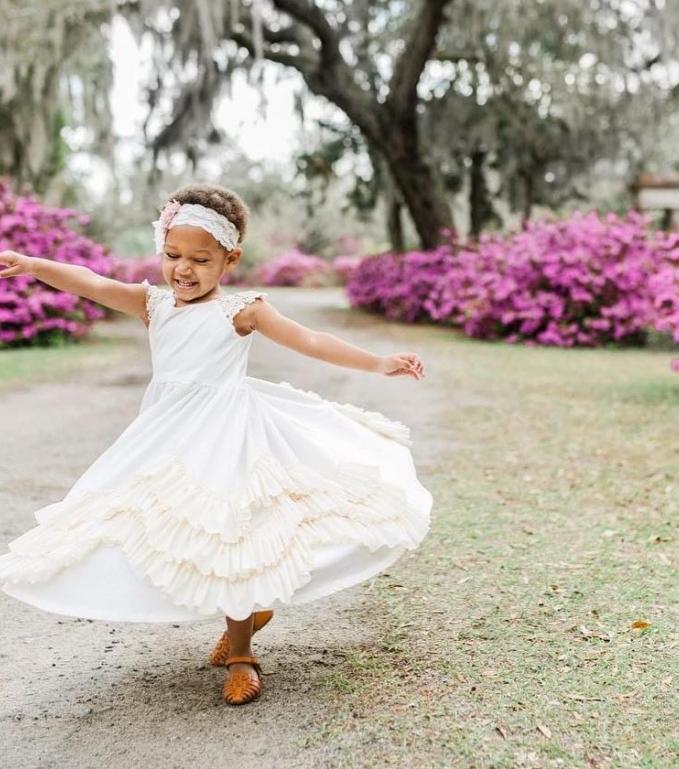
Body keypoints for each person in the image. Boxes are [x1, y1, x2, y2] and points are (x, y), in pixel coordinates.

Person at [0, 184, 432, 706]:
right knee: (158, 528)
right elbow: (90, 281)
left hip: (229, 435)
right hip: (166, 439)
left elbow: (311, 341)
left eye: (200, 260)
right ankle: (245, 611)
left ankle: (241, 651)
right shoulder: (152, 304)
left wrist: (379, 362)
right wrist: (32, 264)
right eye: (172, 255)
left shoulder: (242, 311)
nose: (183, 269)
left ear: (230, 259)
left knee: (233, 534)